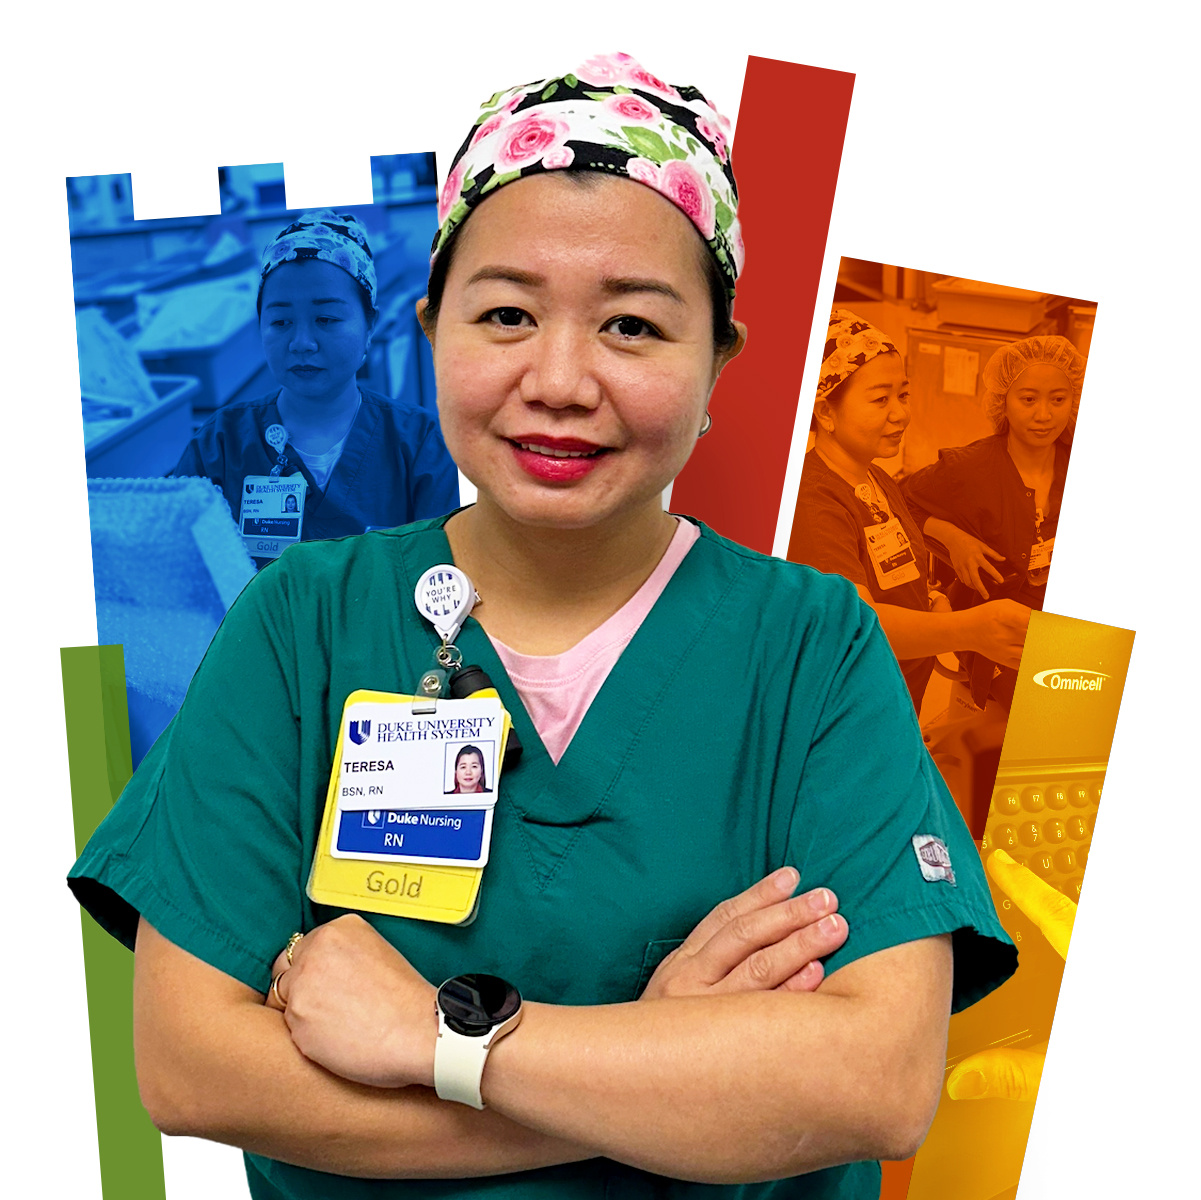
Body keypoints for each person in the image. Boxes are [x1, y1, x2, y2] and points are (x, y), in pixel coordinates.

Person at [70, 55, 1016, 1200]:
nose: (560, 379)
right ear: (430, 333)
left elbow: (876, 1081)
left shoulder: (810, 646)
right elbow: (189, 1068)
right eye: (507, 313)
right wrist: (665, 1069)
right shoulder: (302, 624)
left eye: (631, 325)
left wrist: (435, 1036)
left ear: (719, 363)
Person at [172, 209, 459, 567]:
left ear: (370, 325)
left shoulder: (419, 445)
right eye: (280, 322)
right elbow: (176, 559)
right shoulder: (221, 444)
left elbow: (447, 575)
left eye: (326, 319)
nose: (302, 342)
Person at [788, 309, 1033, 712]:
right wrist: (965, 631)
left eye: (902, 394)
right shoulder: (815, 502)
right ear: (826, 412)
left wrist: (933, 600)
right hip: (853, 705)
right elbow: (854, 626)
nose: (900, 413)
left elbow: (898, 572)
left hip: (898, 693)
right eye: (880, 399)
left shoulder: (876, 480)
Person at [902, 335, 1085, 609]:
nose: (1044, 414)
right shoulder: (968, 469)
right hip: (989, 628)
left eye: (1058, 399)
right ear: (1003, 401)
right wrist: (952, 538)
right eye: (1028, 399)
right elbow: (894, 502)